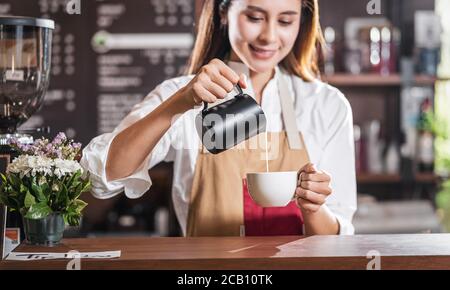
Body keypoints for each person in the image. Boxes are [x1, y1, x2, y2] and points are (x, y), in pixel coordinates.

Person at [81, 0, 357, 237]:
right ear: (224, 13)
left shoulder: (326, 105)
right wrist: (177, 105)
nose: (269, 36)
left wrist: (314, 208)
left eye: (285, 21)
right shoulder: (180, 94)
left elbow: (338, 234)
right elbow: (102, 177)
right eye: (254, 17)